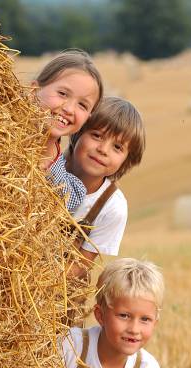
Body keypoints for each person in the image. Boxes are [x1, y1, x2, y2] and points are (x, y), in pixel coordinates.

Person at [66, 96, 145, 279]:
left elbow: (79, 268)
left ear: (127, 161)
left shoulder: (112, 207)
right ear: (78, 132)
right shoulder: (45, 167)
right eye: (96, 135)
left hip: (53, 293)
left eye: (117, 147)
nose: (103, 149)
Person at [60, 258, 164, 368]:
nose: (134, 329)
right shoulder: (71, 347)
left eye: (145, 319)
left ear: (155, 323)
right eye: (124, 316)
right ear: (100, 315)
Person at [32, 49, 104, 212]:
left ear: (87, 117)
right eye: (63, 94)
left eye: (82, 105)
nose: (69, 109)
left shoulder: (67, 190)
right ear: (34, 91)